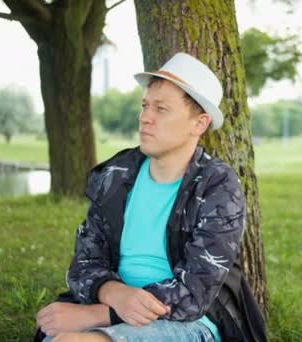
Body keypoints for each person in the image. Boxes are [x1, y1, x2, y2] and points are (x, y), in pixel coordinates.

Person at [34, 52, 266, 342]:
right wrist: (113, 294)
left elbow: (194, 293)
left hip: (189, 322)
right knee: (52, 331)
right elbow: (84, 263)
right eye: (145, 106)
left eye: (161, 109)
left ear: (199, 124)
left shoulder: (217, 185)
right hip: (113, 302)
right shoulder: (116, 175)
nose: (145, 117)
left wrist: (99, 315)